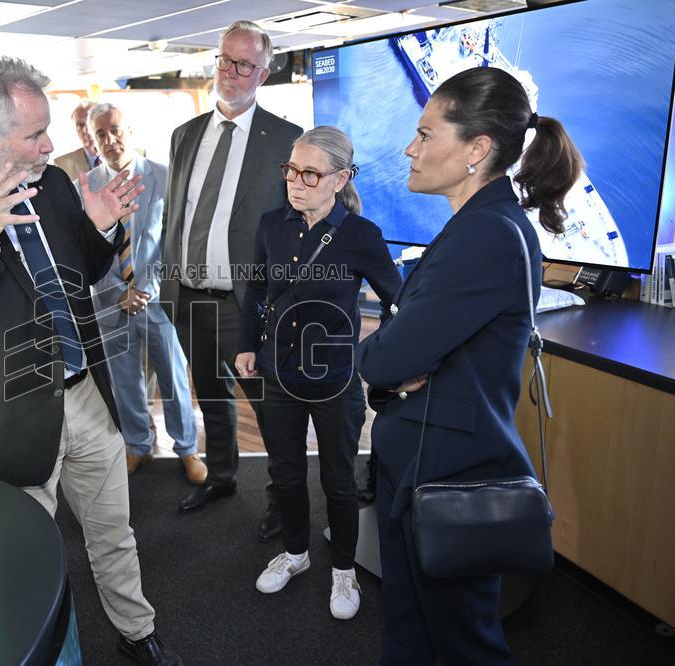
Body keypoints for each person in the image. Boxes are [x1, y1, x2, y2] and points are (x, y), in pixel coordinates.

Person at [0, 56, 182, 666]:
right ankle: (56, 647)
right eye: (35, 134)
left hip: (85, 394)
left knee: (113, 533)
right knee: (27, 558)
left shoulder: (49, 183)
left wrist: (99, 229)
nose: (51, 145)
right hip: (13, 418)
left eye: (48, 130)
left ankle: (136, 632)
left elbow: (82, 274)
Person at [355, 66, 582, 664]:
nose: (410, 146)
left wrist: (384, 352)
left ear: (476, 150)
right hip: (426, 458)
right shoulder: (479, 227)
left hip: (447, 469)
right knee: (413, 630)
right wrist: (399, 352)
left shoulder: (486, 236)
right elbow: (408, 350)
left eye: (426, 134)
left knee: (461, 644)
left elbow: (387, 357)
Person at [234, 126, 400, 620]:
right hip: (278, 376)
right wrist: (247, 346)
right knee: (284, 475)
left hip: (335, 381)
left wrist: (377, 355)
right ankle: (296, 553)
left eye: (311, 173)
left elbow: (400, 302)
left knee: (339, 482)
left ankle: (344, 570)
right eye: (291, 170)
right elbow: (257, 292)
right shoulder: (270, 225)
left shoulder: (362, 236)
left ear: (340, 178)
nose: (296, 181)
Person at [160, 20, 302, 539]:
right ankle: (221, 476)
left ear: (263, 73)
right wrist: (167, 285)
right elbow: (174, 215)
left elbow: (296, 228)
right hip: (188, 297)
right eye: (225, 59)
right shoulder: (184, 135)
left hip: (247, 305)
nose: (232, 72)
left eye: (245, 64)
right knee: (210, 396)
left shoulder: (287, 141)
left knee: (268, 408)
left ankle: (283, 499)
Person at [82, 102, 204, 482]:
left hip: (159, 299)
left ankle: (187, 449)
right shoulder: (83, 189)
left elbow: (178, 243)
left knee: (174, 377)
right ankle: (138, 445)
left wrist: (146, 287)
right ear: (92, 140)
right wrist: (118, 292)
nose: (110, 139)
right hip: (110, 301)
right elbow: (84, 249)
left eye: (116, 129)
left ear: (131, 130)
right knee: (124, 381)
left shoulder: (166, 178)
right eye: (101, 133)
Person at [54, 100, 100, 182]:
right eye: (80, 125)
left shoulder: (123, 157)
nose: (86, 130)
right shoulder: (62, 166)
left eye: (90, 123)